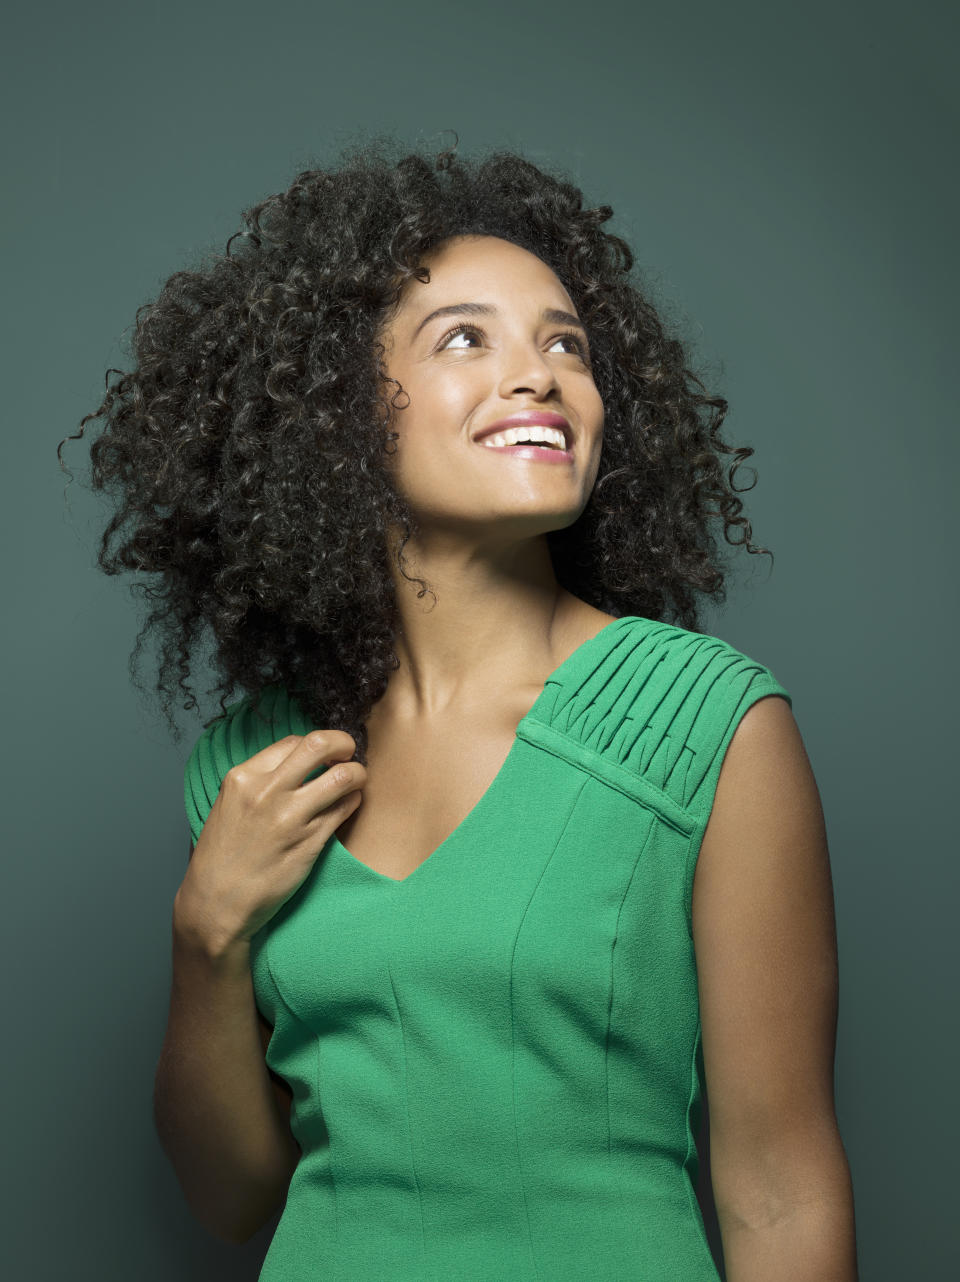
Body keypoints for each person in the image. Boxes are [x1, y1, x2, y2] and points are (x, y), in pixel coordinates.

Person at [60, 133, 858, 1279]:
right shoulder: (254, 766)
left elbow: (782, 1194)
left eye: (567, 345)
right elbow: (232, 1197)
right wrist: (205, 936)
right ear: (340, 412)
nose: (539, 375)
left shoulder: (706, 726)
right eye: (464, 339)